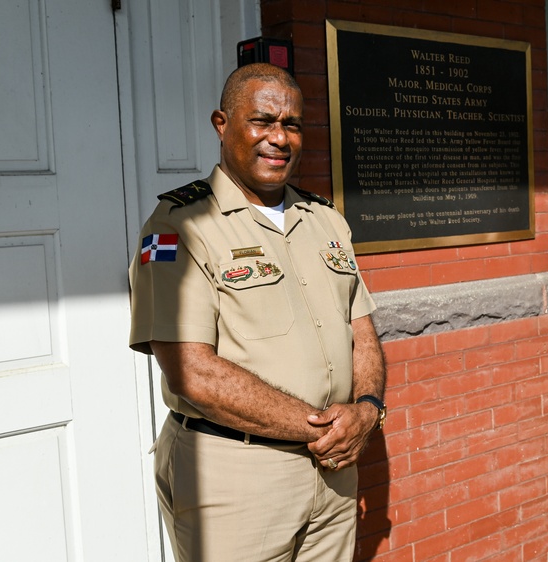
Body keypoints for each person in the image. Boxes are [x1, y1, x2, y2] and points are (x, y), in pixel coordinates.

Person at [128, 62, 386, 562]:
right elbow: (192, 372)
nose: (279, 138)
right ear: (222, 125)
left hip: (333, 472)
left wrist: (369, 410)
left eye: (291, 124)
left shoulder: (325, 219)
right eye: (262, 121)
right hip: (235, 477)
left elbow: (363, 331)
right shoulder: (178, 228)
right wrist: (328, 429)